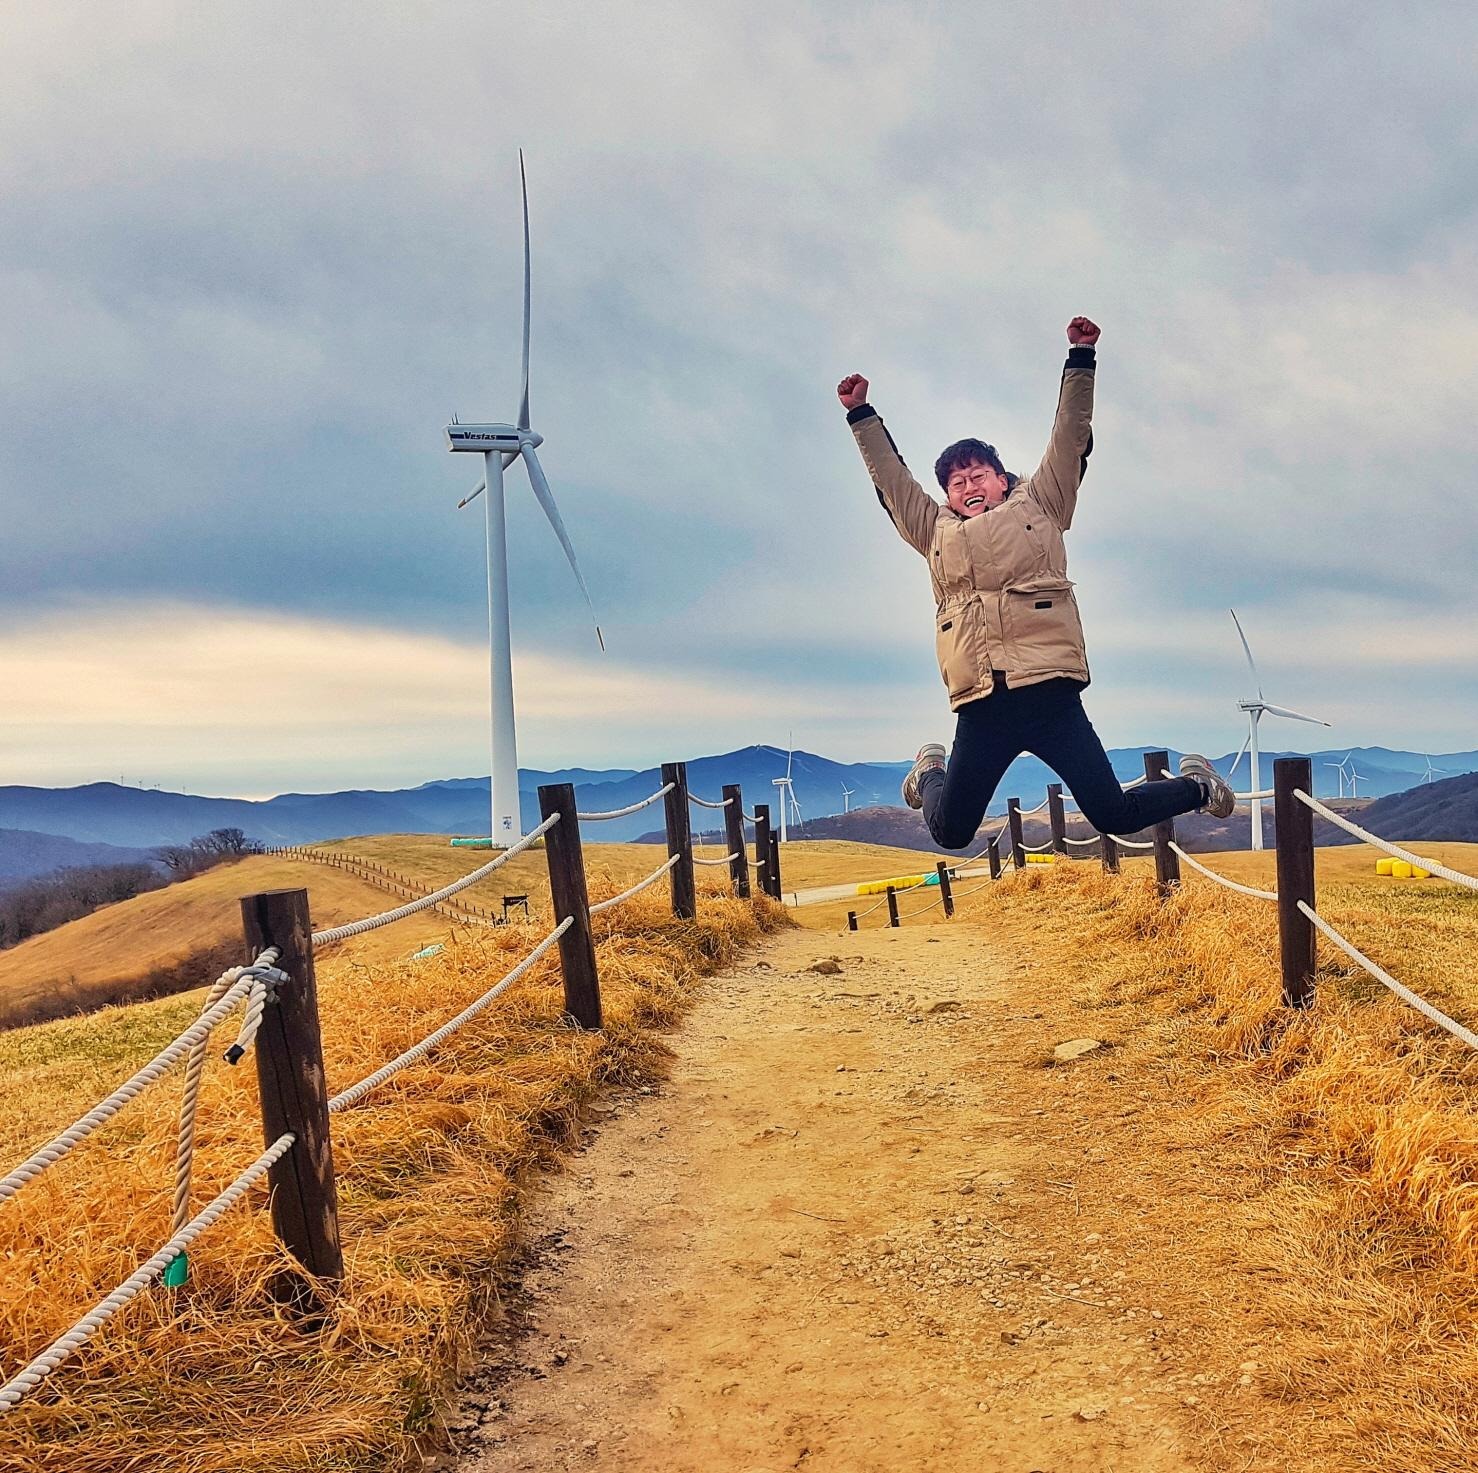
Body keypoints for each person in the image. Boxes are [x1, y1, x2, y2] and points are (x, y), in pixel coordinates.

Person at [836, 317, 1234, 850]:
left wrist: (1080, 359)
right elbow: (892, 481)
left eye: (979, 474)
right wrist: (861, 415)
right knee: (952, 832)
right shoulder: (933, 529)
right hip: (982, 702)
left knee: (1113, 813)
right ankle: (930, 772)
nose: (968, 485)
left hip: (1049, 693)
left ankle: (1197, 785)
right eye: (956, 482)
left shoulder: (1043, 502)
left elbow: (1070, 437)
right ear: (948, 497)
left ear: (1003, 478)